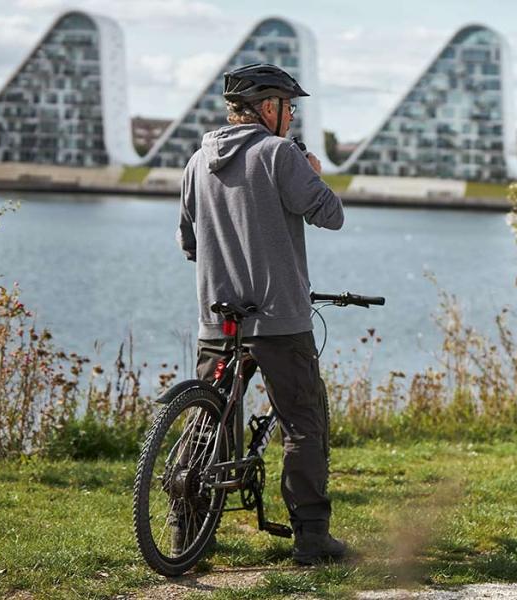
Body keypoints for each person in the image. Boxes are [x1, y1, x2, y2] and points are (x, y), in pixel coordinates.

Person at [176, 63, 348, 564]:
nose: (292, 117)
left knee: (209, 423)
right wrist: (313, 175)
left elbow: (189, 242)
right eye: (289, 107)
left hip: (218, 318)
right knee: (303, 424)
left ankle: (188, 530)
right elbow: (330, 216)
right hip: (278, 319)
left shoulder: (195, 162)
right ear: (267, 108)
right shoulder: (279, 155)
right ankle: (312, 538)